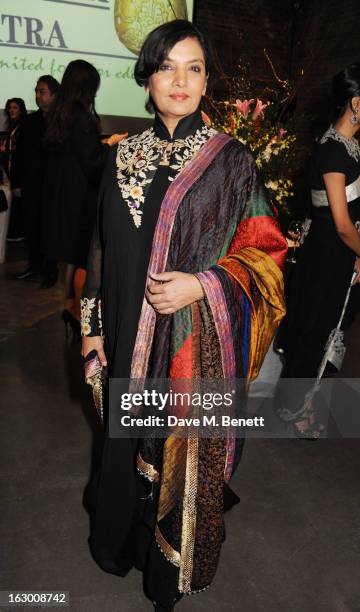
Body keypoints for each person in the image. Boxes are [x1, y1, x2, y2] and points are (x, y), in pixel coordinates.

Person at [81, 20, 287, 612]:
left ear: (205, 81)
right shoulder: (121, 158)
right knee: (121, 451)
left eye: (193, 68)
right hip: (124, 340)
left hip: (191, 350)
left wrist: (204, 285)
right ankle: (116, 544)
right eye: (167, 66)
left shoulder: (230, 161)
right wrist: (92, 331)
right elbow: (97, 249)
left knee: (179, 460)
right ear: (146, 77)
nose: (180, 79)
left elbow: (266, 253)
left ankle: (164, 574)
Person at [275, 62, 360, 438]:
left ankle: (306, 405)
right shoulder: (331, 150)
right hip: (327, 255)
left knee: (333, 329)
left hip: (345, 255)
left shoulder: (353, 146)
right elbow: (341, 223)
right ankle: (294, 410)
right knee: (316, 331)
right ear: (356, 103)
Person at [42, 60, 123, 337]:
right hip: (80, 200)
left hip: (62, 197)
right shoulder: (81, 118)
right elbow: (93, 163)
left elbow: (76, 154)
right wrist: (112, 147)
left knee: (74, 258)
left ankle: (69, 307)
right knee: (84, 260)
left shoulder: (59, 114)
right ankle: (78, 313)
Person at [15, 75, 60, 284]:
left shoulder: (62, 122)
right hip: (32, 184)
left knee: (51, 227)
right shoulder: (29, 121)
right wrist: (17, 182)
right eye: (36, 91)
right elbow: (20, 155)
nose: (37, 96)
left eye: (42, 91)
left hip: (53, 184)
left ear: (54, 94)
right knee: (32, 226)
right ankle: (34, 266)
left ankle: (50, 271)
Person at [2, 98, 27, 241]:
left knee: (18, 204)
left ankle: (19, 233)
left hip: (20, 173)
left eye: (15, 108)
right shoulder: (12, 127)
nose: (11, 110)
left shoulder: (22, 127)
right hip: (11, 171)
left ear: (21, 110)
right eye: (10, 107)